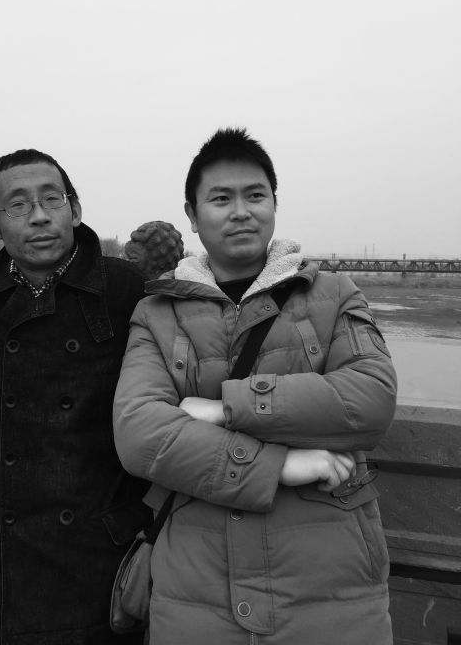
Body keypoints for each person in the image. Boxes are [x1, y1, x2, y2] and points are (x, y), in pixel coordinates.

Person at [113, 128, 397, 645]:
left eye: (255, 195)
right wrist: (278, 465)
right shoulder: (156, 313)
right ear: (192, 215)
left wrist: (226, 407)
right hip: (195, 591)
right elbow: (138, 433)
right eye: (221, 199)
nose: (241, 212)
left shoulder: (334, 293)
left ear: (274, 204)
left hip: (331, 586)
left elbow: (371, 400)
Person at [0, 149, 150, 645]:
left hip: (99, 537)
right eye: (19, 205)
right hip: (2, 546)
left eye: (53, 199)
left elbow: (159, 401)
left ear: (76, 209)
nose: (40, 216)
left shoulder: (125, 289)